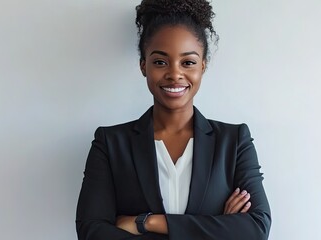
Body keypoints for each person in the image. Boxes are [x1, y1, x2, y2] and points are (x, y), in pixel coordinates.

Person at [76, 0, 271, 239]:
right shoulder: (110, 143)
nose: (174, 74)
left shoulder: (235, 141)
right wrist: (217, 227)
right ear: (143, 66)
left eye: (188, 62)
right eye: (160, 62)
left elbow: (256, 229)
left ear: (203, 66)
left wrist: (147, 223)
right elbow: (92, 232)